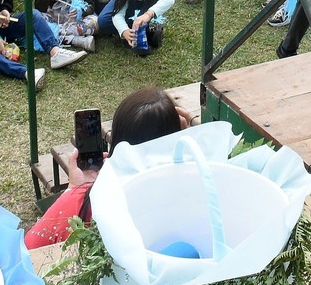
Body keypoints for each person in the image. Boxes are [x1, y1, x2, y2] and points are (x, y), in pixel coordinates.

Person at [24, 85, 192, 249]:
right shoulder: (191, 187)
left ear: (118, 136)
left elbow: (31, 246)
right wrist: (188, 143)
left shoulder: (89, 201)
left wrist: (73, 191)